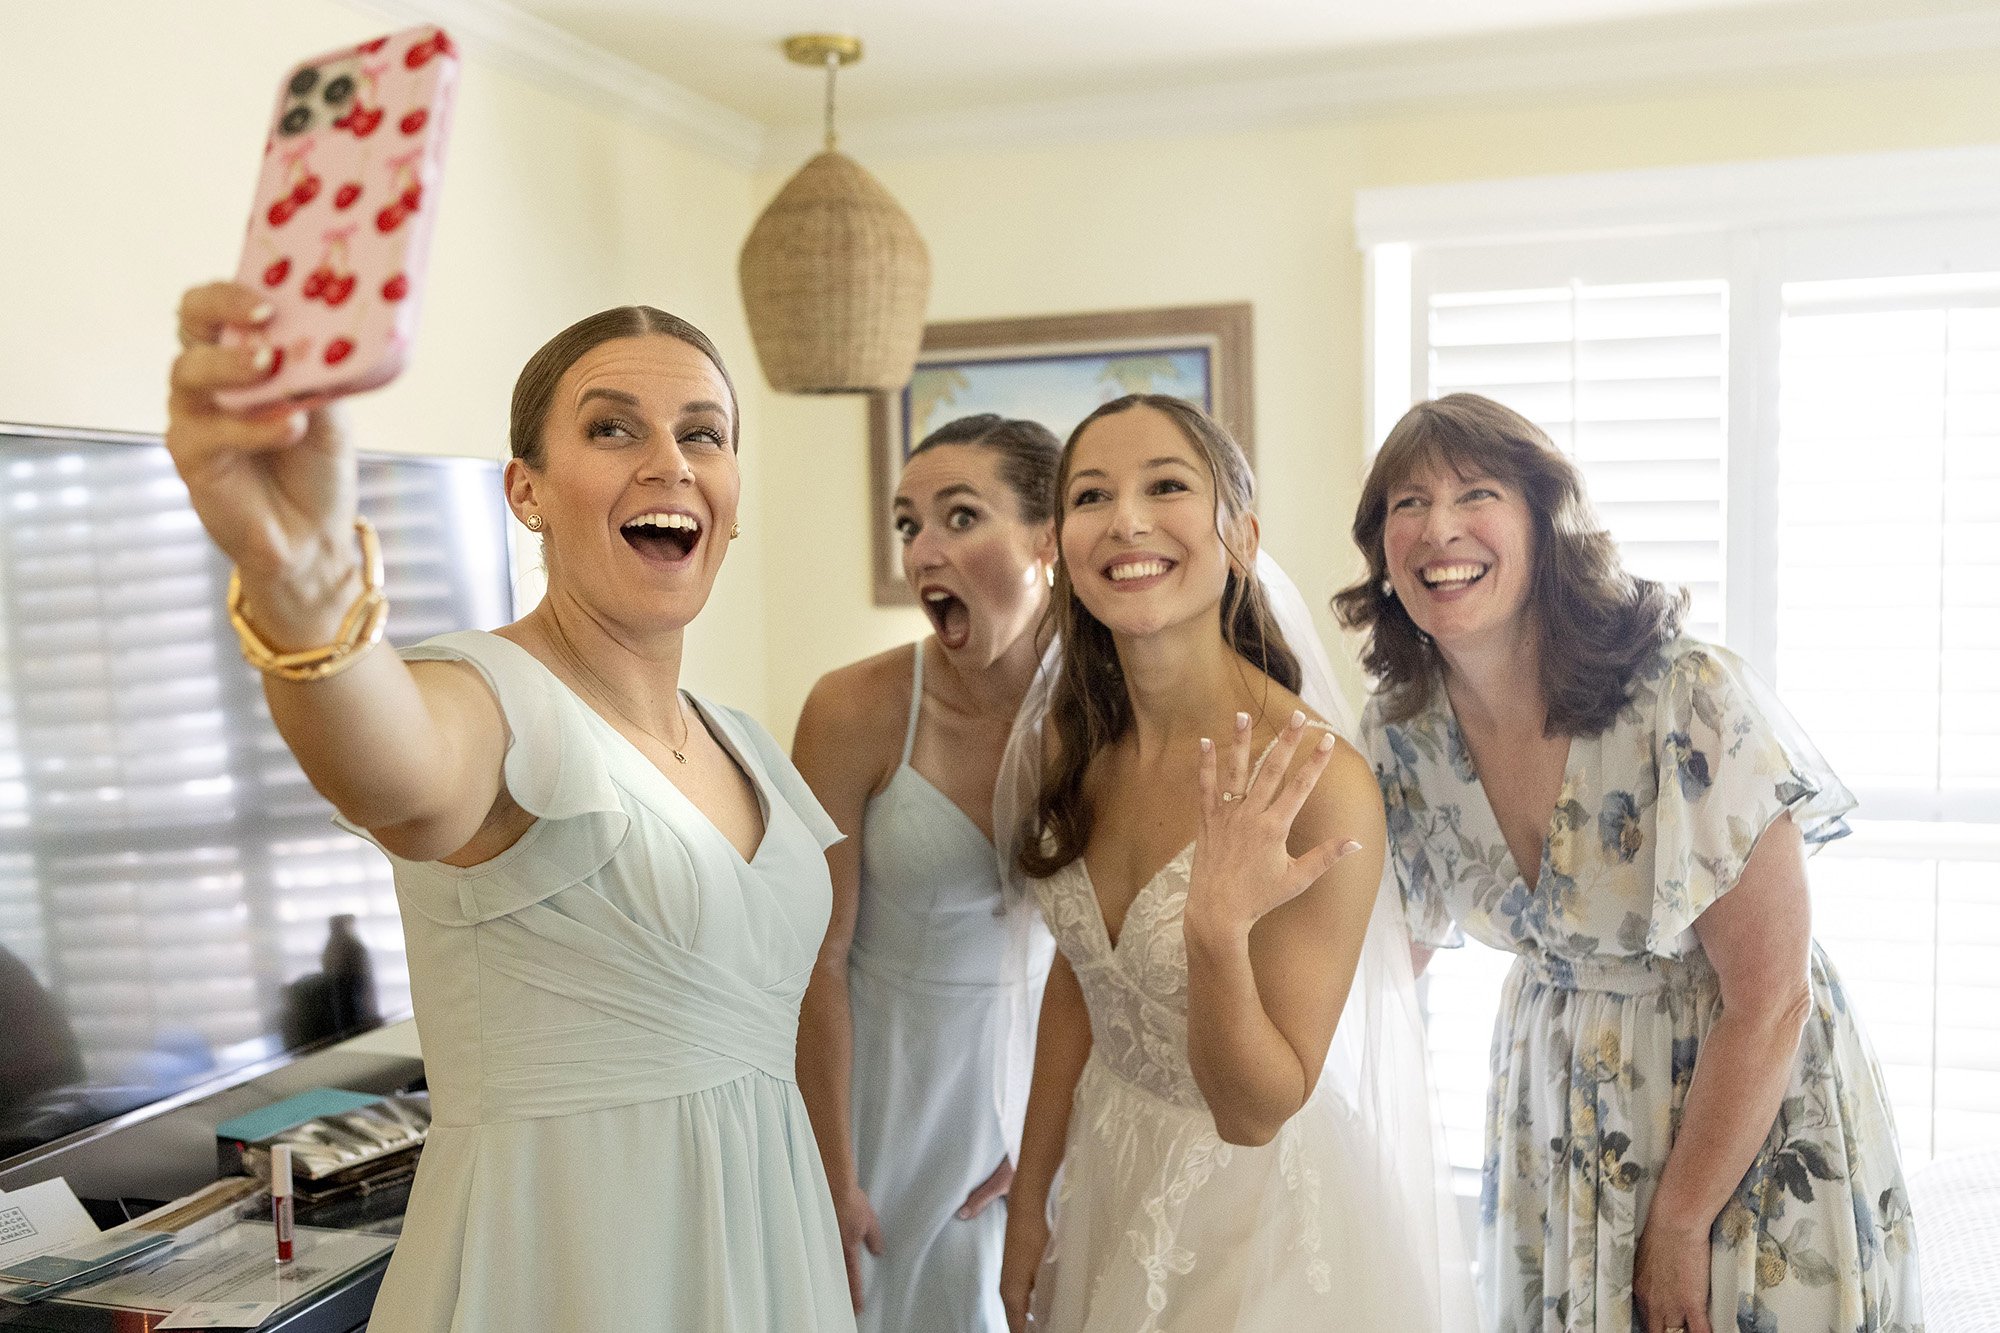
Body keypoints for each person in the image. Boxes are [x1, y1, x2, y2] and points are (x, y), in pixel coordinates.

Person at [166, 285, 854, 1331]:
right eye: (613, 427)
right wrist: (301, 588)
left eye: (701, 434)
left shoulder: (742, 741)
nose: (668, 460)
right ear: (525, 491)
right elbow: (392, 766)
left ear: (730, 493)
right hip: (570, 1269)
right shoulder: (489, 696)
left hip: (768, 1251)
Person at [1337, 393, 1921, 1333]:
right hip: (1552, 1102)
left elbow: (1770, 996)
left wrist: (1682, 1221)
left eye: (1475, 493)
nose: (1438, 528)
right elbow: (1383, 964)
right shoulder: (1399, 734)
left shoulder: (1685, 695)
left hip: (1735, 1098)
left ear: (1542, 522)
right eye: (1406, 504)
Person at [997, 394, 1473, 1332]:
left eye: (1166, 486)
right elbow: (1083, 975)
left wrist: (1215, 930)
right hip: (1106, 1179)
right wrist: (1028, 1203)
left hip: (1258, 1233)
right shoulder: (1073, 740)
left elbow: (1258, 1109)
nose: (1127, 518)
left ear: (1241, 537)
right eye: (1092, 495)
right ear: (1061, 546)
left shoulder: (1315, 784)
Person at [793, 414, 1061, 1332]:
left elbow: (1118, 958)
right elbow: (815, 961)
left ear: (1048, 538)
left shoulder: (1108, 714)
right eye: (910, 524)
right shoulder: (853, 707)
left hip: (1038, 1092)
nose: (924, 550)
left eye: (959, 516)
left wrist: (1055, 1142)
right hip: (879, 1096)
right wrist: (831, 1175)